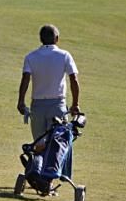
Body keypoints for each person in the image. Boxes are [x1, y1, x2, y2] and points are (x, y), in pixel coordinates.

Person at [17, 24, 81, 178]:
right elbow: (73, 79)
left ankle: (38, 176)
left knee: (39, 144)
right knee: (56, 146)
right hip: (58, 106)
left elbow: (25, 79)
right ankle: (49, 181)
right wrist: (75, 104)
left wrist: (20, 102)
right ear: (57, 39)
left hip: (37, 106)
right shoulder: (65, 55)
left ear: (40, 39)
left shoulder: (31, 56)